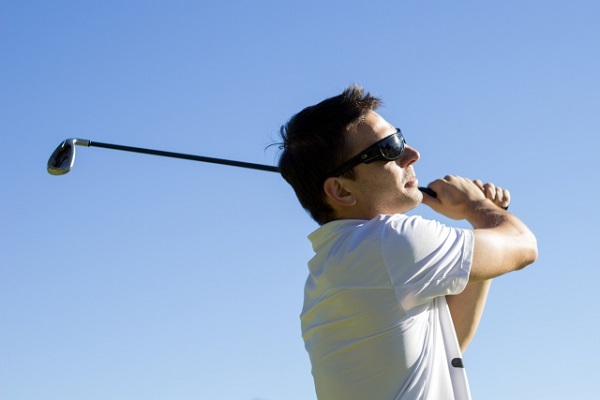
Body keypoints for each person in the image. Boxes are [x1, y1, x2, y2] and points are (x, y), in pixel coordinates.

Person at [276, 85, 538, 400]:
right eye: (388, 148)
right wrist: (477, 207)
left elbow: (442, 348)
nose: (412, 154)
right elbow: (524, 246)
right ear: (341, 191)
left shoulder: (330, 268)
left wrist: (482, 223)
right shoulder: (389, 242)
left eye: (399, 138)